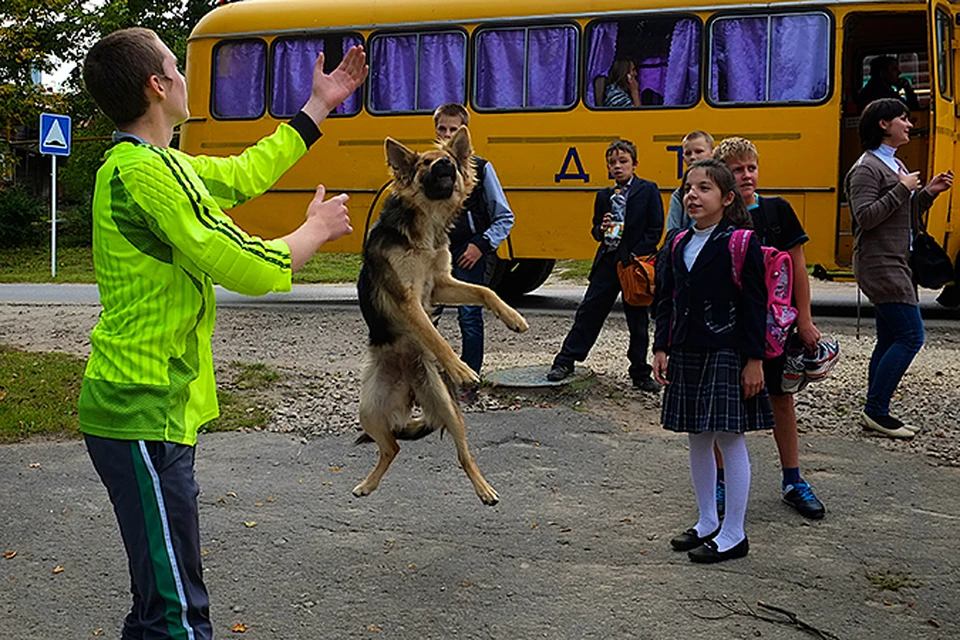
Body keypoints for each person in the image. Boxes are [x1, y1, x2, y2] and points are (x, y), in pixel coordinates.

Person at [79, 27, 366, 639]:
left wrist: (317, 108)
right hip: (139, 411)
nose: (186, 77)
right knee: (177, 614)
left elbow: (241, 174)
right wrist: (312, 233)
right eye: (174, 68)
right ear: (158, 87)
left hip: (149, 414)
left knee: (160, 601)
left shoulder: (156, 166)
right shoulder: (143, 172)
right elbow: (234, 257)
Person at [653, 159, 773, 563]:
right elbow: (666, 300)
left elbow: (757, 304)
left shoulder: (741, 241)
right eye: (689, 188)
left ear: (726, 198)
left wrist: (754, 359)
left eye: (705, 188)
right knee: (697, 437)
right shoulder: (676, 243)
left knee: (729, 438)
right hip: (687, 349)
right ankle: (707, 520)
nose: (693, 195)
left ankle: (734, 533)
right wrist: (661, 347)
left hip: (726, 351)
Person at [712, 137, 826, 520]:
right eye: (737, 169)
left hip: (776, 328)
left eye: (751, 168)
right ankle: (722, 482)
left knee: (782, 399)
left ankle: (793, 479)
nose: (746, 176)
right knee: (723, 407)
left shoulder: (778, 211)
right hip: (728, 328)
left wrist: (805, 319)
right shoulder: (716, 217)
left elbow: (797, 269)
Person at [845, 98, 953, 437]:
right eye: (902, 119)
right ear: (883, 125)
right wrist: (901, 189)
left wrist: (927, 194)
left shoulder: (894, 164)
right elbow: (865, 217)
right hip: (880, 264)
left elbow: (900, 215)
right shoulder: (867, 168)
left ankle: (875, 410)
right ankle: (876, 410)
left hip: (897, 260)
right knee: (910, 336)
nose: (909, 124)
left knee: (889, 338)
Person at [546, 139, 663, 391]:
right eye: (612, 163)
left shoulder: (648, 190)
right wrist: (601, 229)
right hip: (608, 262)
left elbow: (655, 229)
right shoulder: (604, 195)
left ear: (635, 164)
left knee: (638, 319)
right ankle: (565, 360)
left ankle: (640, 372)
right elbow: (595, 229)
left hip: (634, 265)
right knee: (589, 311)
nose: (617, 167)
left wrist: (635, 254)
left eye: (623, 162)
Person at [432, 103, 515, 390]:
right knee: (428, 316)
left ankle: (469, 381)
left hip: (468, 253)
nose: (447, 134)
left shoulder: (480, 169)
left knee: (469, 316)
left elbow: (505, 216)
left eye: (453, 130)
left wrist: (481, 244)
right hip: (434, 254)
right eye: (442, 129)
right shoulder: (429, 166)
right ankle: (426, 379)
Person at [666, 131, 715, 232]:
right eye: (688, 153)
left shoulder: (724, 189)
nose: (693, 157)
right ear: (683, 158)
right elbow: (672, 232)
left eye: (699, 151)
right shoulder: (679, 195)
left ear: (712, 153)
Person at [856, 56, 920, 113]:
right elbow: (909, 108)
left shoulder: (884, 90)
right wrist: (908, 89)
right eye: (894, 69)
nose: (899, 72)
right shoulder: (880, 94)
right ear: (883, 74)